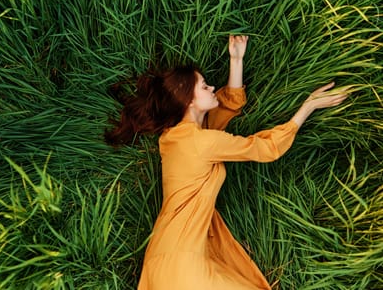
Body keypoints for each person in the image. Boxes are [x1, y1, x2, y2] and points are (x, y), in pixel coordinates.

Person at [105, 35, 349, 290]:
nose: (211, 88)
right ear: (188, 100)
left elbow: (223, 112)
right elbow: (265, 148)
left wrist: (236, 60)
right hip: (183, 264)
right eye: (203, 86)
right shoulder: (202, 142)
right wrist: (306, 108)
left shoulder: (174, 138)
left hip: (164, 258)